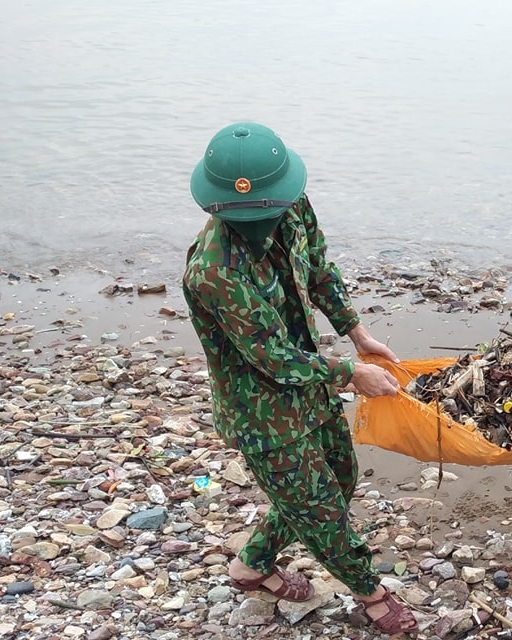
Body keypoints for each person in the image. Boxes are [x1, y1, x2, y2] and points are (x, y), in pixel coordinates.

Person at [181, 122, 417, 634]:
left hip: (309, 388)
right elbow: (272, 357)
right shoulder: (214, 271)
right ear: (217, 207)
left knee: (341, 478)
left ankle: (250, 565)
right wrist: (352, 375)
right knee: (321, 508)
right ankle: (370, 594)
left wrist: (356, 333)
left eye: (269, 209)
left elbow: (319, 271)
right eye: (247, 216)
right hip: (260, 413)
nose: (263, 221)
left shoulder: (294, 207)